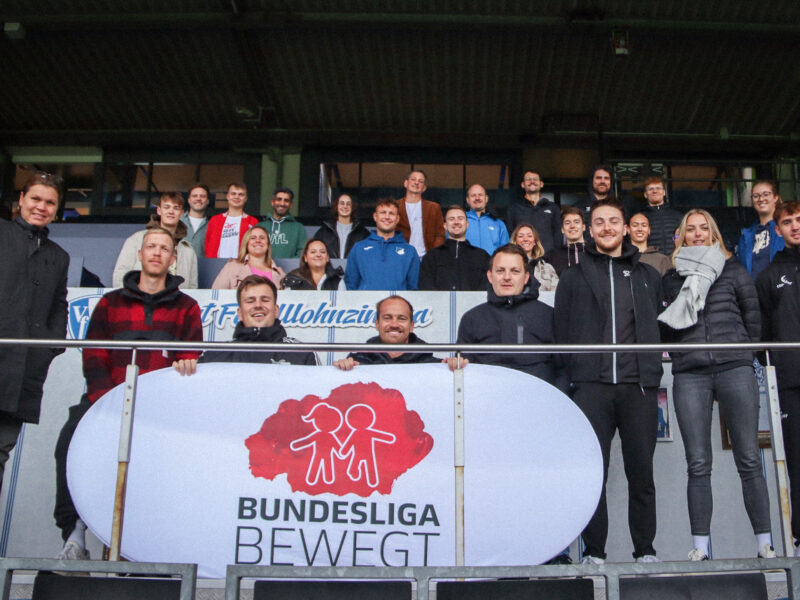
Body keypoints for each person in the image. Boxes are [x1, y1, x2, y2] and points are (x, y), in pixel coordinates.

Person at [54, 227, 203, 560]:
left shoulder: (187, 307)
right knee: (68, 442)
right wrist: (105, 402)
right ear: (140, 253)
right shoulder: (110, 303)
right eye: (151, 246)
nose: (156, 252)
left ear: (173, 258)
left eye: (164, 248)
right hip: (105, 401)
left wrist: (164, 396)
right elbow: (94, 355)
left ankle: (144, 544)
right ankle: (75, 533)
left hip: (158, 410)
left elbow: (189, 359)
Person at [660, 209, 775, 561]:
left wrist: (741, 353)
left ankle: (765, 545)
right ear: (680, 236)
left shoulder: (734, 270)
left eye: (703, 229)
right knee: (697, 463)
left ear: (713, 234)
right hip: (690, 372)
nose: (697, 234)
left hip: (734, 368)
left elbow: (753, 319)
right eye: (690, 229)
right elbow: (666, 327)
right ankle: (700, 548)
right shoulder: (670, 277)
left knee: (749, 458)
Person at [554, 198, 663, 565]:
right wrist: (579, 376)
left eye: (613, 221)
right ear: (589, 229)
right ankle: (595, 552)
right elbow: (562, 330)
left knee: (641, 474)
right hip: (592, 388)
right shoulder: (573, 275)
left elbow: (657, 327)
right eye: (599, 222)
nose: (606, 228)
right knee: (593, 475)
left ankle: (645, 551)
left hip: (638, 388)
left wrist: (649, 371)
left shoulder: (648, 275)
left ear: (626, 227)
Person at [0, 171, 69, 495]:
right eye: (36, 199)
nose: (41, 207)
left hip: (23, 373)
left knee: (0, 453)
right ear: (21, 201)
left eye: (49, 202)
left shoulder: (59, 256)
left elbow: (59, 305)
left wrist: (48, 348)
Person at [756, 200, 800, 554]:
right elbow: (761, 335)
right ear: (779, 229)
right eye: (788, 222)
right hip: (792, 382)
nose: (795, 226)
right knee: (797, 461)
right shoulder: (769, 276)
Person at [456, 244, 563, 386]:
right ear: (490, 276)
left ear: (526, 277)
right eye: (500, 271)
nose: (507, 277)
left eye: (515, 271)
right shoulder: (471, 319)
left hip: (538, 401)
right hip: (487, 400)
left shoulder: (550, 316)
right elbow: (462, 371)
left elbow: (563, 370)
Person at [199, 275, 317, 365]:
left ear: (276, 310)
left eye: (265, 300)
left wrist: (335, 372)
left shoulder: (302, 353)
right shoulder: (215, 356)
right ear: (239, 313)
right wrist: (184, 367)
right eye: (250, 301)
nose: (258, 305)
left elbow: (321, 391)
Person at [112, 191, 198, 288]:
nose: (171, 211)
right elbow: (120, 274)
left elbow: (192, 286)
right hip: (139, 300)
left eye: (176, 208)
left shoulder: (188, 250)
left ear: (181, 213)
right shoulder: (136, 240)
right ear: (159, 210)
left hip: (175, 301)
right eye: (166, 207)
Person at [333, 296, 440, 369]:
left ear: (411, 326)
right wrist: (340, 370)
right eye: (387, 318)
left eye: (401, 318)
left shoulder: (431, 364)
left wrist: (453, 368)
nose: (394, 324)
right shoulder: (357, 361)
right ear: (377, 324)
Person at [344, 198, 420, 290]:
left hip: (396, 304)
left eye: (391, 213)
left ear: (397, 219)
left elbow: (413, 288)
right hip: (366, 303)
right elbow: (351, 285)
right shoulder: (359, 248)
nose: (387, 217)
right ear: (375, 217)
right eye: (383, 212)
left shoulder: (410, 251)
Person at [418, 205, 490, 291]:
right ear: (445, 225)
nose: (456, 222)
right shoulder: (432, 257)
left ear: (467, 224)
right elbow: (426, 286)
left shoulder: (482, 256)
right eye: (451, 219)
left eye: (460, 218)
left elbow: (487, 286)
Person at [506, 170, 562, 254]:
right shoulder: (514, 208)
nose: (532, 181)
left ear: (541, 184)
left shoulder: (553, 208)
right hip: (522, 257)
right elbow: (510, 234)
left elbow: (558, 235)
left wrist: (556, 255)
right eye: (528, 179)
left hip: (548, 258)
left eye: (535, 179)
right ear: (523, 184)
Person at [212, 225, 285, 290]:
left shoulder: (280, 273)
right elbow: (215, 294)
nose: (258, 240)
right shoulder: (232, 267)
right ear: (246, 243)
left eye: (262, 238)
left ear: (268, 244)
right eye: (253, 238)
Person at [737, 180, 784, 278]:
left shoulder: (785, 228)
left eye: (766, 194)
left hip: (782, 289)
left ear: (775, 197)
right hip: (755, 291)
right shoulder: (745, 236)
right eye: (756, 196)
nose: (761, 199)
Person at [396, 170, 445, 257]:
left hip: (426, 258)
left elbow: (440, 234)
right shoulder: (395, 206)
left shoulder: (434, 207)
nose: (416, 183)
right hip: (401, 256)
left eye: (420, 181)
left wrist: (433, 253)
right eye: (413, 179)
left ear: (424, 188)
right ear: (405, 183)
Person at [205, 182, 259, 258]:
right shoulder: (215, 220)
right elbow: (208, 245)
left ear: (246, 198)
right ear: (227, 196)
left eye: (241, 194)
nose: (237, 197)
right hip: (217, 265)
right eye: (233, 194)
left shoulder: (252, 221)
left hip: (242, 265)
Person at [312, 193, 369, 258]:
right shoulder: (324, 232)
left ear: (352, 207)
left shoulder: (362, 233)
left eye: (348, 204)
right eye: (342, 203)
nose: (345, 206)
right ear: (336, 206)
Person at [510, 223, 559, 291]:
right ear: (515, 241)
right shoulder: (508, 267)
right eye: (521, 236)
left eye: (529, 236)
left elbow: (556, 294)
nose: (525, 239)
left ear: (535, 242)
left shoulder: (547, 268)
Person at [572, 165, 616, 239]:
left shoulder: (619, 207)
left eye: (606, 178)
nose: (602, 181)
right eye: (598, 178)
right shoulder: (578, 207)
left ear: (611, 182)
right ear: (592, 181)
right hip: (585, 250)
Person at [641, 176, 682, 254]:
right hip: (651, 262)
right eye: (650, 189)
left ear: (664, 192)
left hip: (674, 260)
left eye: (658, 188)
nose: (655, 191)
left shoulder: (677, 215)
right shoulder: (640, 217)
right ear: (645, 194)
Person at [464, 184, 509, 254]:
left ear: (486, 198)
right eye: (473, 195)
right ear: (467, 200)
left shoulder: (498, 223)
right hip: (466, 264)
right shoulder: (460, 221)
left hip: (491, 264)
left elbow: (506, 251)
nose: (477, 198)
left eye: (480, 195)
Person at [261, 187, 306, 259]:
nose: (282, 203)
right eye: (279, 199)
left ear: (291, 204)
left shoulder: (298, 228)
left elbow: (302, 253)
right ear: (272, 202)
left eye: (286, 200)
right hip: (263, 269)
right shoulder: (260, 227)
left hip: (290, 269)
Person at [548, 206, 586, 276]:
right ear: (562, 229)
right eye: (567, 223)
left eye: (576, 222)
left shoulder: (595, 253)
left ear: (583, 227)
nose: (572, 226)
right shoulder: (553, 257)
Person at [180, 183, 211, 257]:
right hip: (178, 267)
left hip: (203, 267)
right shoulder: (177, 222)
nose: (198, 199)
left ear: (207, 201)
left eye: (202, 196)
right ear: (189, 200)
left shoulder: (212, 226)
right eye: (195, 196)